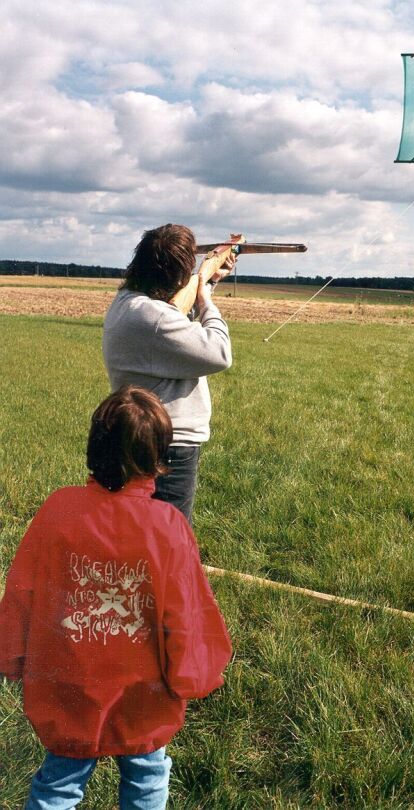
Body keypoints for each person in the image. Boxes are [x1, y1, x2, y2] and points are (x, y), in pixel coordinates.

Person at [0, 385, 232, 810]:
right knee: (146, 775)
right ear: (159, 458)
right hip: (143, 689)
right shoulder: (166, 526)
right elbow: (185, 612)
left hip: (69, 683)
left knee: (59, 782)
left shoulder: (59, 510)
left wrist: (13, 654)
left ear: (95, 446)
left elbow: (21, 591)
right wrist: (191, 671)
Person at [103, 223, 234, 524]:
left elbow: (173, 319)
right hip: (169, 444)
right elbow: (219, 352)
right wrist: (206, 301)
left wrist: (208, 280)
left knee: (138, 532)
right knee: (167, 539)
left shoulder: (128, 303)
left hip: (139, 434)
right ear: (177, 275)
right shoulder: (154, 317)